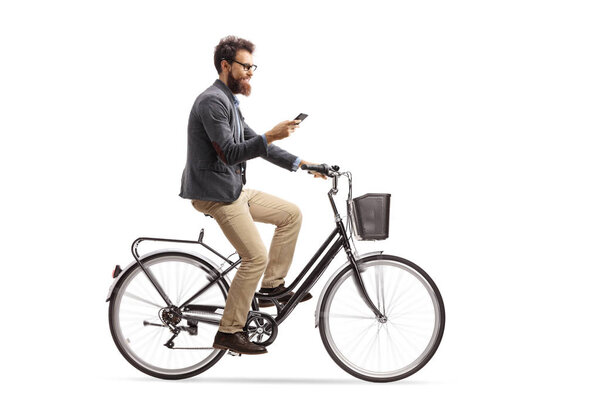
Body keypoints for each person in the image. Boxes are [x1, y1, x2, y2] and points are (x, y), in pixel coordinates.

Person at [179, 36, 326, 355]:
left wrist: (303, 163)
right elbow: (232, 153)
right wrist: (269, 133)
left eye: (252, 67)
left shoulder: (228, 102)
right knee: (255, 256)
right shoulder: (210, 102)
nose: (250, 72)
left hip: (231, 189)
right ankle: (229, 331)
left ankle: (272, 288)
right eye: (245, 66)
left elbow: (257, 144)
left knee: (290, 214)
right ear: (225, 66)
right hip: (214, 193)